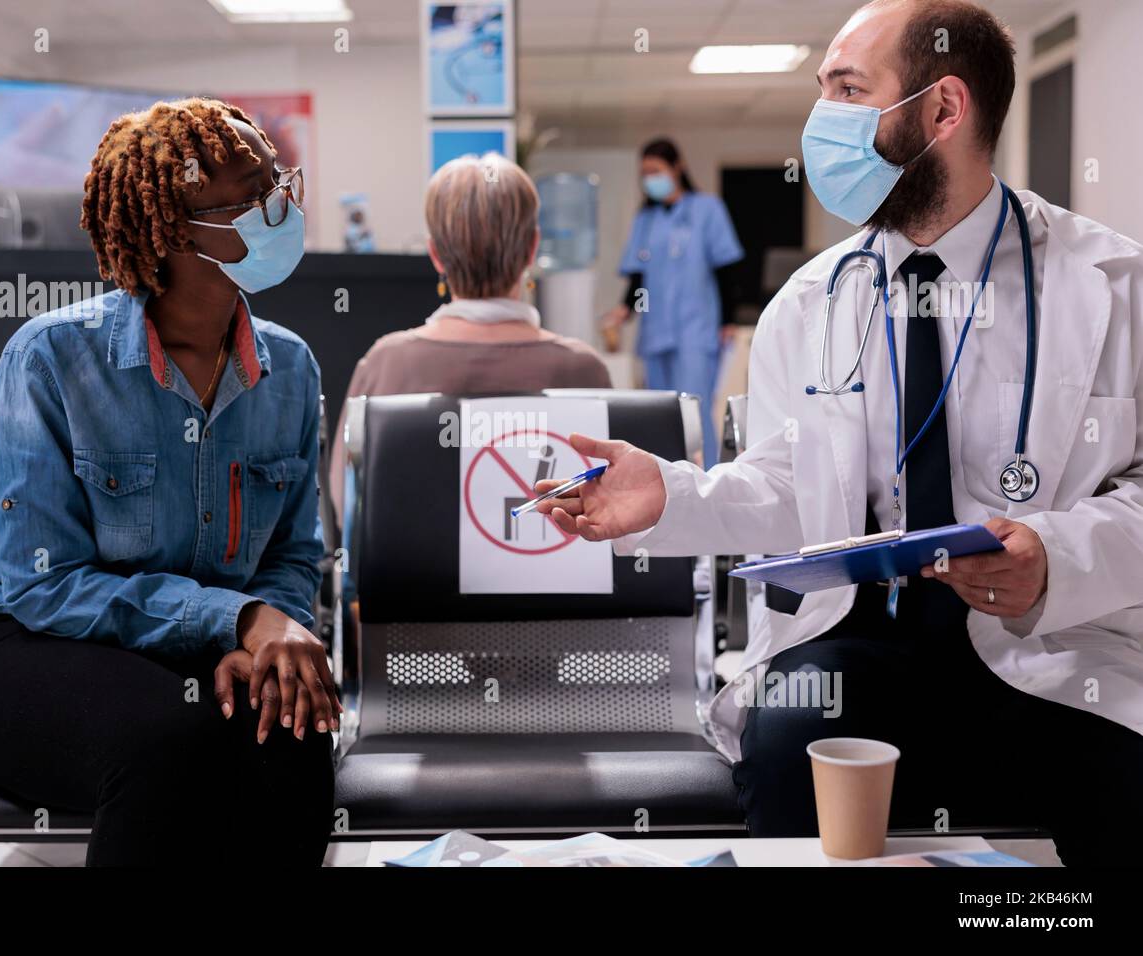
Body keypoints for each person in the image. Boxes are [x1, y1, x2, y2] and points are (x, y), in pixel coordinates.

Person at [535, 0, 1143, 866]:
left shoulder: (1112, 286)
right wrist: (673, 495)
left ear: (943, 110)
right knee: (786, 745)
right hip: (857, 636)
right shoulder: (811, 304)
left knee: (1118, 780)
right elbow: (790, 488)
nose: (821, 120)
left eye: (849, 90)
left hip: (1052, 640)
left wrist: (1055, 553)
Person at [0, 98, 339, 867]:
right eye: (253, 192)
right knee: (167, 744)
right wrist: (237, 621)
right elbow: (44, 587)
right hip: (6, 641)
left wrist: (262, 632)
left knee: (295, 735)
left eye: (281, 180)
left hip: (173, 651)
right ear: (177, 231)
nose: (284, 205)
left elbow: (294, 555)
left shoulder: (292, 368)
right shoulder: (51, 358)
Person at [328, 152, 610, 524]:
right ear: (532, 249)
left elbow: (346, 502)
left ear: (435, 256)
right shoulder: (584, 369)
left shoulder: (386, 362)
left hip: (409, 583)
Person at [600, 137, 744, 466]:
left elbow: (727, 269)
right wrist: (626, 309)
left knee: (694, 410)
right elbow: (638, 276)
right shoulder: (645, 220)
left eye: (656, 170)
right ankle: (664, 482)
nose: (651, 178)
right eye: (645, 173)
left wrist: (728, 320)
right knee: (660, 414)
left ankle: (705, 479)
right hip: (655, 331)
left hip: (696, 329)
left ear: (677, 167)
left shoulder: (706, 210)